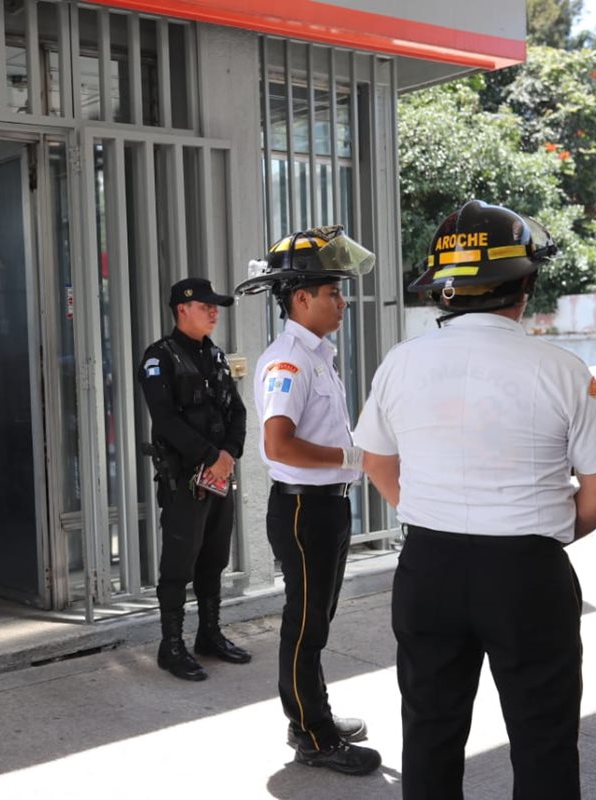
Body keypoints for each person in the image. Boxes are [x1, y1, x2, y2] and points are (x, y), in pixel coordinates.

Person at [352, 200, 596, 799]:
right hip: (526, 574)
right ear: (524, 284)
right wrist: (544, 533)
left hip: (428, 567)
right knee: (543, 738)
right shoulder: (560, 369)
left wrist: (433, 517)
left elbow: (375, 460)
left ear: (442, 288)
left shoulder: (400, 363)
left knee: (430, 730)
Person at [234, 225, 381, 776]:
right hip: (303, 508)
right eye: (332, 292)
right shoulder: (288, 361)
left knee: (317, 620)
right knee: (304, 625)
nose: (343, 301)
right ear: (300, 299)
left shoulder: (316, 354)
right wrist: (353, 458)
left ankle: (313, 716)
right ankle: (314, 738)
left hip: (325, 505)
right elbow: (278, 443)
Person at [138, 277, 248, 682]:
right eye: (206, 306)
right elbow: (166, 420)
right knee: (178, 563)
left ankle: (209, 634)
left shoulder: (215, 356)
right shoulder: (159, 358)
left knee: (214, 558)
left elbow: (237, 411)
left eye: (216, 306)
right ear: (182, 309)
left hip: (218, 477)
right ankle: (171, 646)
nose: (214, 312)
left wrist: (229, 454)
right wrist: (211, 457)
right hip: (185, 480)